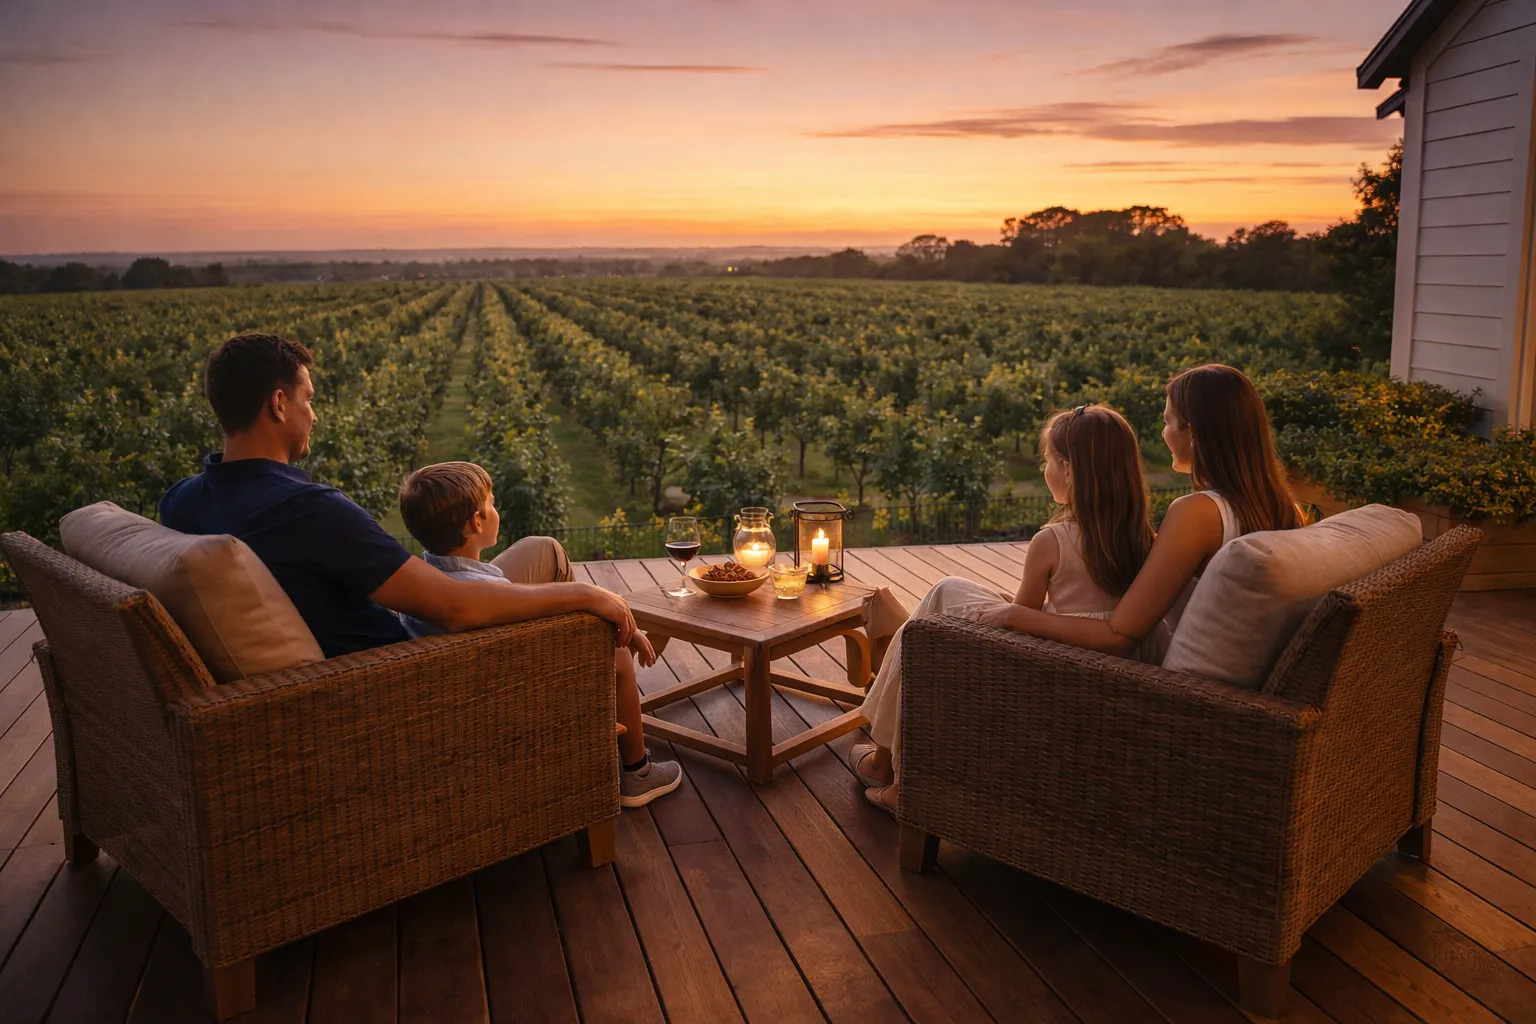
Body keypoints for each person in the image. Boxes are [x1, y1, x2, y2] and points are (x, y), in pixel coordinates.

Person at [160, 333, 680, 807]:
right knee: (591, 620)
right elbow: (456, 607)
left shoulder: (182, 503)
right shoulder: (308, 510)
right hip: (417, 678)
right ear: (279, 405)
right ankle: (612, 738)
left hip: (386, 647)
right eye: (308, 399)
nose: (313, 415)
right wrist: (591, 597)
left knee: (542, 550)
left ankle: (591, 702)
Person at [854, 364, 1308, 812]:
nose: (1164, 432)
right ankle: (888, 725)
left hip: (1133, 685)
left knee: (944, 595)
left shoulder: (1197, 514)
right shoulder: (1283, 509)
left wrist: (1014, 613)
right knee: (944, 605)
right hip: (1192, 682)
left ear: (1196, 432)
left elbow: (1119, 633)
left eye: (1169, 420)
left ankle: (885, 753)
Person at [852, 403, 1156, 812]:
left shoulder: (1054, 540)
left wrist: (1007, 609)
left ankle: (885, 760)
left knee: (937, 602)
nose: (1044, 470)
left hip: (1046, 664)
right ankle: (885, 754)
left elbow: (1022, 620)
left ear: (1068, 469)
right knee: (945, 596)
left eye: (1048, 461)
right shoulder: (1146, 539)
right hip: (1091, 662)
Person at [397, 461, 680, 807]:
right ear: (476, 522)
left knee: (545, 549)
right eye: (491, 503)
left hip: (447, 685)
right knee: (612, 650)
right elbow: (545, 616)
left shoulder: (424, 579)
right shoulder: (486, 595)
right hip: (505, 690)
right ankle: (637, 771)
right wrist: (618, 627)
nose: (495, 510)